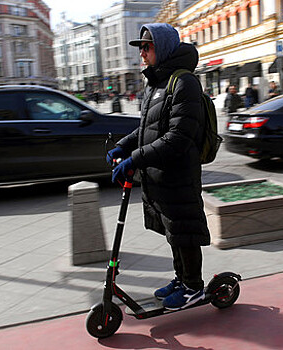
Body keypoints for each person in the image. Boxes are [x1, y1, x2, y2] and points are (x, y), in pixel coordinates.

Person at [106, 23, 210, 310]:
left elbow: (178, 138)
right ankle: (181, 278)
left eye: (146, 46)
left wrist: (135, 159)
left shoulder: (184, 83)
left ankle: (193, 288)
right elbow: (146, 128)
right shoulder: (156, 82)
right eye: (140, 47)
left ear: (161, 48)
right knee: (172, 231)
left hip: (178, 173)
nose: (141, 52)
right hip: (159, 175)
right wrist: (123, 146)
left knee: (184, 232)